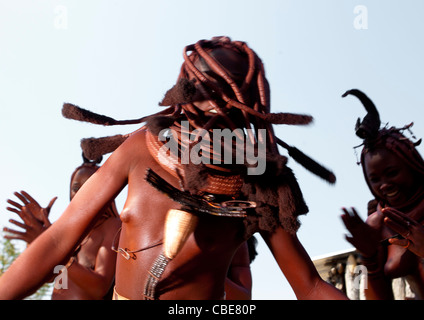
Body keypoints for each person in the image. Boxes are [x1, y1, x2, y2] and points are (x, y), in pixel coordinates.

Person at [0, 37, 346, 300]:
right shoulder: (141, 147)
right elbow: (60, 236)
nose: (216, 99)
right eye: (205, 84)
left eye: (230, 87)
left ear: (252, 99)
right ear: (184, 88)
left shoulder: (259, 180)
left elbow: (310, 285)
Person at [341, 89, 424, 299]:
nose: (384, 185)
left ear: (412, 165)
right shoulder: (377, 223)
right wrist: (367, 257)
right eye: (375, 179)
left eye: (392, 173)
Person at [3, 156, 121, 300]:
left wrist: (57, 251)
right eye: (76, 188)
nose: (80, 193)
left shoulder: (112, 226)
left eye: (88, 187)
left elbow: (99, 288)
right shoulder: (71, 232)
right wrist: (39, 239)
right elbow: (50, 276)